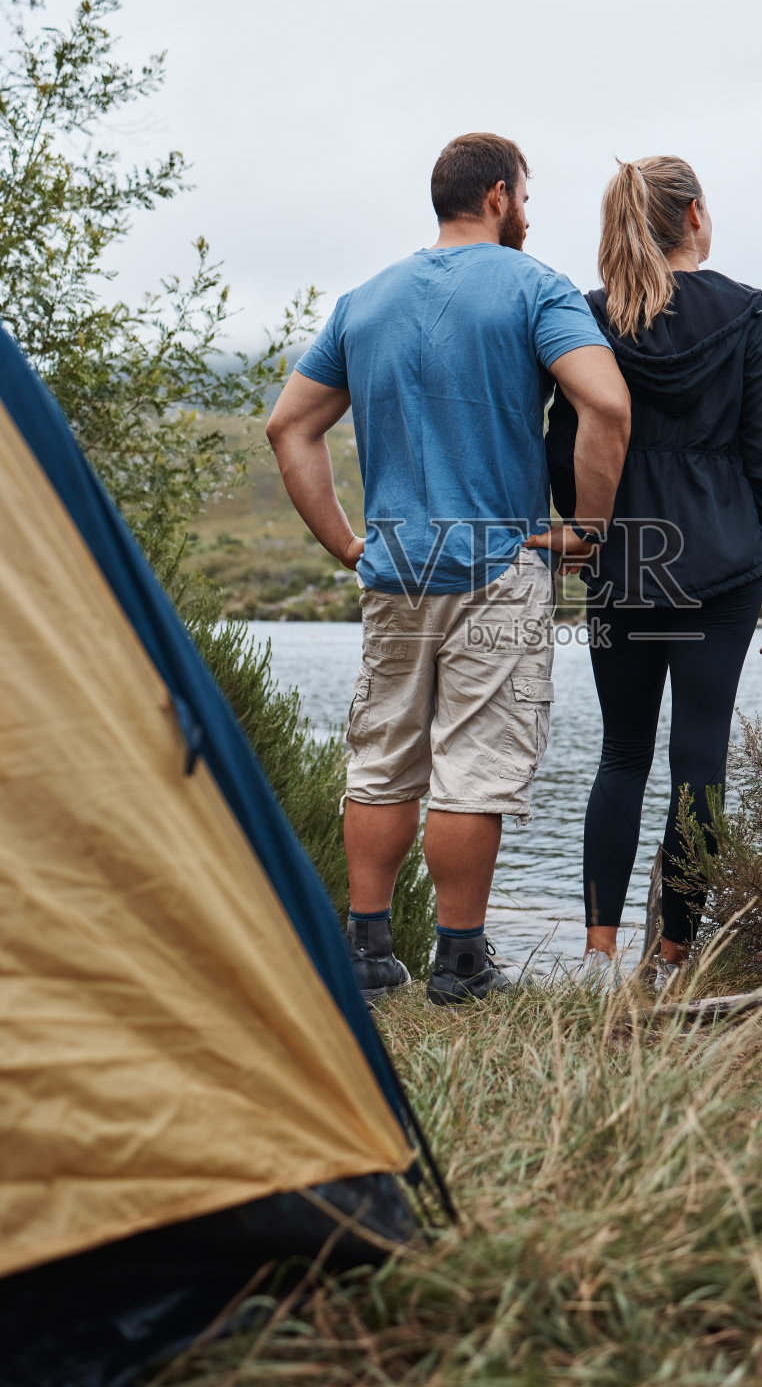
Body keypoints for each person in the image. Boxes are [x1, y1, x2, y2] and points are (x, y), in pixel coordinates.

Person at [266, 133, 630, 1008]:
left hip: (393, 571)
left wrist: (347, 544)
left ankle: (366, 952)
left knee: (382, 759)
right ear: (498, 195)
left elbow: (289, 427)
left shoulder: (365, 300)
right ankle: (461, 963)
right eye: (525, 197)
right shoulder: (535, 286)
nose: (528, 213)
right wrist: (586, 529)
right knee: (474, 766)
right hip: (498, 567)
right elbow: (606, 403)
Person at [545, 155, 762, 988]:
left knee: (621, 754)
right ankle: (670, 960)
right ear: (693, 215)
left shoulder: (592, 318)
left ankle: (597, 956)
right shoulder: (746, 314)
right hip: (723, 566)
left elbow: (564, 440)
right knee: (700, 762)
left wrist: (583, 529)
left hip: (624, 560)